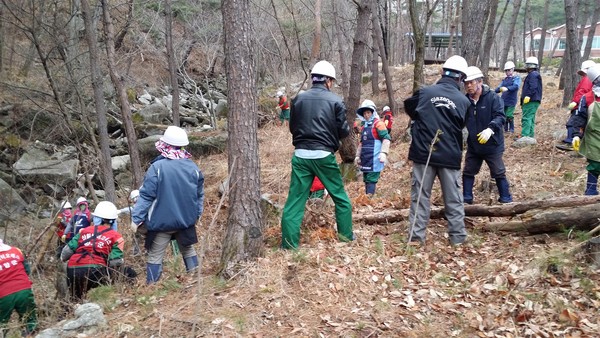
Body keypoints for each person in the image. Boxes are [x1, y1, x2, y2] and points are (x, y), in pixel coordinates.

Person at [281, 60, 353, 249]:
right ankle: (346, 237)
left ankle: (289, 244)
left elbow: (293, 128)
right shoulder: (336, 101)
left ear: (314, 79)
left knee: (294, 202)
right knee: (340, 198)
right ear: (328, 81)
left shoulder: (298, 100)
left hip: (301, 155)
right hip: (323, 155)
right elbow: (344, 131)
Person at [403, 55, 471, 246]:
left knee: (420, 197)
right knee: (454, 199)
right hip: (450, 156)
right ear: (461, 78)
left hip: (423, 154)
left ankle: (416, 238)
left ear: (443, 73)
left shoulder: (425, 93)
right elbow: (463, 123)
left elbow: (409, 106)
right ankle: (457, 238)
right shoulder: (464, 101)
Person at [131, 126, 204, 284]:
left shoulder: (157, 168)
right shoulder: (193, 168)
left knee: (155, 255)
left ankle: (152, 286)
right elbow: (199, 196)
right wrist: (197, 215)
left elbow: (146, 196)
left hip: (162, 222)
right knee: (188, 249)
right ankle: (196, 281)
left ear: (165, 145)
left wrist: (136, 218)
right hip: (186, 221)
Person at [463, 66, 513, 204]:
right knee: (468, 171)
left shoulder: (492, 98)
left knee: (498, 172)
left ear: (480, 81)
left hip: (493, 144)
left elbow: (500, 117)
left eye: (471, 82)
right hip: (474, 145)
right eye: (466, 83)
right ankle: (466, 199)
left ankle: (506, 199)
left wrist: (490, 129)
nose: (468, 86)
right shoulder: (465, 101)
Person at [61, 201, 125, 300]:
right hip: (96, 271)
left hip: (73, 270)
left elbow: (65, 254)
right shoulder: (117, 237)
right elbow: (115, 262)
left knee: (75, 299)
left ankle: (70, 309)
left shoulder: (83, 231)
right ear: (113, 221)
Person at [571, 64, 600, 195]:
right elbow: (580, 117)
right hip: (593, 137)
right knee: (595, 165)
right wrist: (576, 134)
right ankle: (590, 191)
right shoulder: (588, 98)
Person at [0, 239, 38, 336]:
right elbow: (27, 270)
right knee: (30, 320)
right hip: (24, 290)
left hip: (4, 294)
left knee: (1, 325)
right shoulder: (16, 251)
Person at [354, 99, 391, 196]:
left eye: (368, 112)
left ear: (373, 112)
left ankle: (369, 198)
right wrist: (358, 156)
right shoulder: (363, 126)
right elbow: (361, 143)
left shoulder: (379, 124)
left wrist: (384, 153)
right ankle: (367, 198)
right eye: (364, 113)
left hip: (375, 157)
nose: (366, 115)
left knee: (371, 179)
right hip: (365, 157)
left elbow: (386, 138)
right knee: (366, 178)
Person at [557, 59, 596, 150]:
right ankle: (575, 141)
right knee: (578, 124)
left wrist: (576, 102)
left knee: (573, 123)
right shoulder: (590, 79)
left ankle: (571, 141)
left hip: (580, 105)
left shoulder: (587, 79)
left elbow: (582, 92)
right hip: (584, 104)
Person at [494, 61, 521, 134]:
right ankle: (505, 129)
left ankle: (511, 129)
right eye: (506, 70)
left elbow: (516, 86)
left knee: (509, 115)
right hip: (504, 100)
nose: (507, 72)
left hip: (511, 100)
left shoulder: (516, 78)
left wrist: (507, 88)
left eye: (509, 70)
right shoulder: (505, 80)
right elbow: (499, 88)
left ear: (512, 70)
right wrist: (493, 91)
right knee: (504, 115)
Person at [519, 56, 543, 139]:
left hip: (531, 100)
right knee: (531, 118)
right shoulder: (534, 74)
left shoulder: (533, 75)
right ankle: (530, 135)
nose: (526, 67)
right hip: (534, 100)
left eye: (527, 65)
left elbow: (533, 87)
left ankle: (525, 136)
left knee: (526, 118)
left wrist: (528, 96)